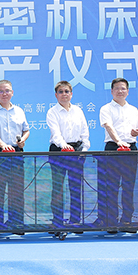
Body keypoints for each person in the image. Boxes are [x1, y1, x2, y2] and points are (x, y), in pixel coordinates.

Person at [96, 78, 138, 231]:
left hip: (130, 148)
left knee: (128, 186)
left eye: (123, 88)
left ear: (128, 91)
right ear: (111, 91)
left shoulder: (133, 109)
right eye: (117, 88)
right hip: (113, 148)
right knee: (111, 186)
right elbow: (108, 126)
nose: (120, 91)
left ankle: (127, 221)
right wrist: (119, 141)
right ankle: (111, 221)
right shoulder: (106, 108)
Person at [0, 79, 30, 232]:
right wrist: (3, 145)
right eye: (1, 91)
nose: (4, 94)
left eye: (7, 91)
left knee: (17, 190)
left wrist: (23, 140)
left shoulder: (19, 111)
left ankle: (16, 223)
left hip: (16, 154)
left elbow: (26, 130)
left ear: (12, 93)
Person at [46, 80, 90, 228]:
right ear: (56, 95)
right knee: (58, 187)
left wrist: (84, 149)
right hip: (58, 151)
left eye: (67, 91)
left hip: (77, 151)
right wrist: (64, 145)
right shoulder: (52, 112)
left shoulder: (78, 111)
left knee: (76, 187)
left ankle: (75, 220)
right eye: (61, 92)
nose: (64, 94)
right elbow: (56, 134)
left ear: (71, 94)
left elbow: (84, 131)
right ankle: (57, 221)